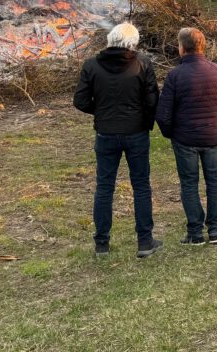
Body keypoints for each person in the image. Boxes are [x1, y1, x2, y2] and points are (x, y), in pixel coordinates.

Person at [73, 22, 162, 258]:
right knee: (141, 186)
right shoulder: (142, 63)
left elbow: (80, 101)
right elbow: (153, 99)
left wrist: (101, 112)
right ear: (132, 43)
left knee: (104, 187)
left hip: (106, 134)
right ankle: (145, 241)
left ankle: (101, 243)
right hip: (136, 133)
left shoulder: (91, 65)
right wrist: (144, 120)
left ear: (111, 39)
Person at [156, 28, 217, 246]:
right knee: (214, 181)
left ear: (182, 48)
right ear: (203, 46)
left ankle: (195, 232)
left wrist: (170, 134)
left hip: (185, 139)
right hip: (212, 137)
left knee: (189, 183)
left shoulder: (175, 75)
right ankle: (214, 229)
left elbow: (163, 114)